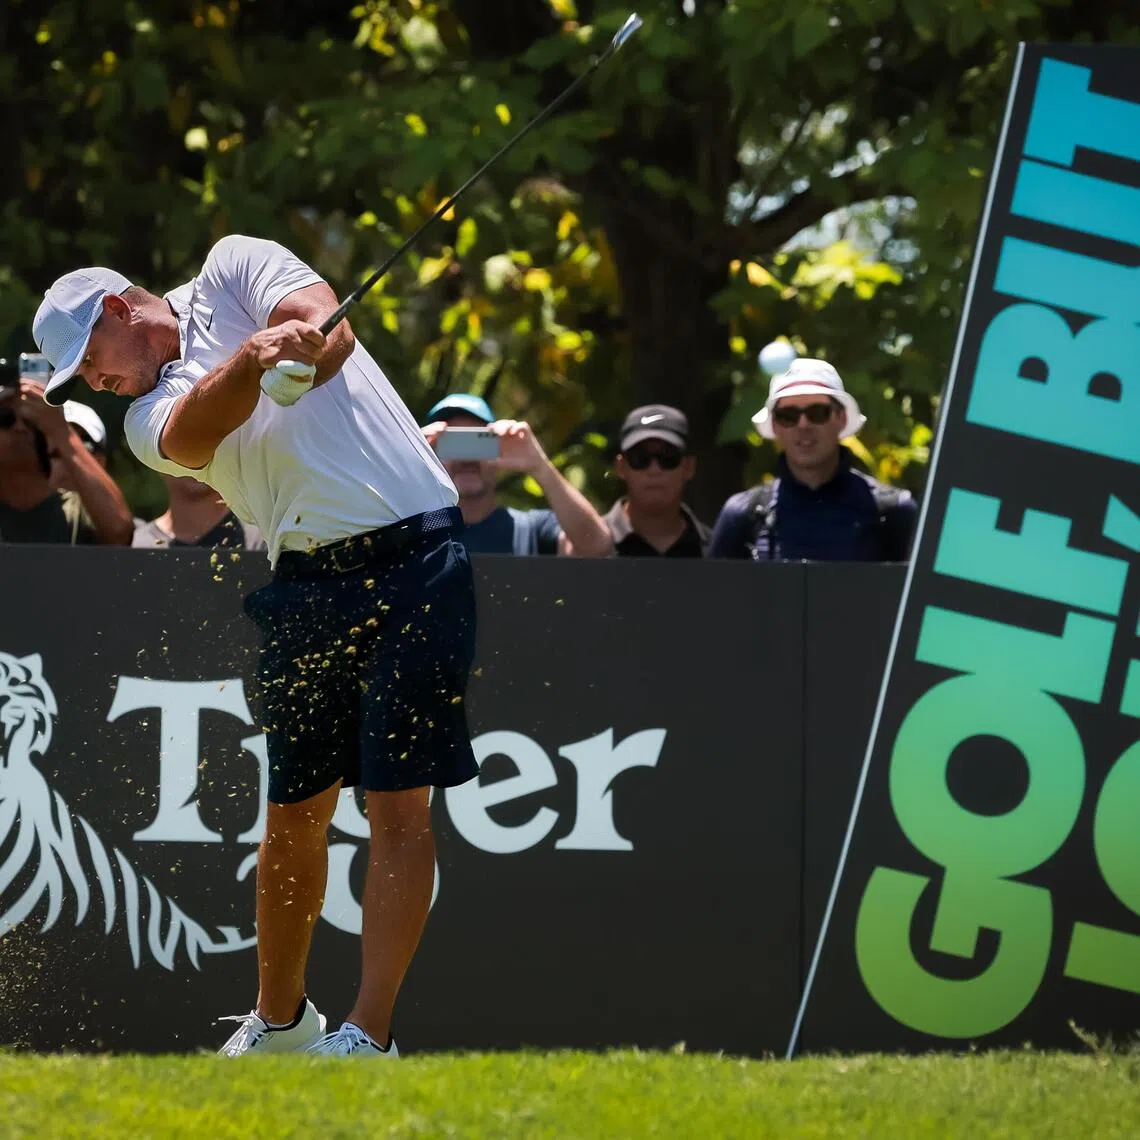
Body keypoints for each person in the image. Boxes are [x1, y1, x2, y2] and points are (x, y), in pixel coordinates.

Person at [32, 236, 477, 1058]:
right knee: (294, 809)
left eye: (90, 361)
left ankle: (368, 1035)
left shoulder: (235, 263)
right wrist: (253, 361)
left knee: (397, 802)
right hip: (304, 581)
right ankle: (280, 1021)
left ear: (120, 311)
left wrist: (305, 345)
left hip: (417, 555)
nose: (92, 384)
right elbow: (198, 433)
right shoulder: (141, 417)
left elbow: (326, 327)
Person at [708, 359, 917, 561]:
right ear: (775, 426)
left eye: (817, 412)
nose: (803, 425)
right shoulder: (742, 515)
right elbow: (715, 595)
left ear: (841, 418)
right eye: (788, 415)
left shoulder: (894, 512)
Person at [422, 393, 613, 557]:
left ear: (497, 449)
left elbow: (597, 547)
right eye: (452, 444)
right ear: (430, 455)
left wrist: (540, 466)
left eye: (476, 442)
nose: (466, 459)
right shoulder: (412, 536)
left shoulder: (530, 530)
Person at [0, 379, 133, 545]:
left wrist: (61, 430)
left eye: (29, 421)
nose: (19, 427)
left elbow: (119, 530)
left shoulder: (78, 512)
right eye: (5, 418)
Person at [603, 404, 710, 557]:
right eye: (640, 458)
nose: (654, 470)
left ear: (688, 467)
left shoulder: (718, 550)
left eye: (668, 457)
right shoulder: (588, 546)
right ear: (621, 467)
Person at [133, 473, 266, 550]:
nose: (195, 458)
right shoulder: (136, 548)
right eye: (182, 446)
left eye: (207, 445)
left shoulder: (268, 543)